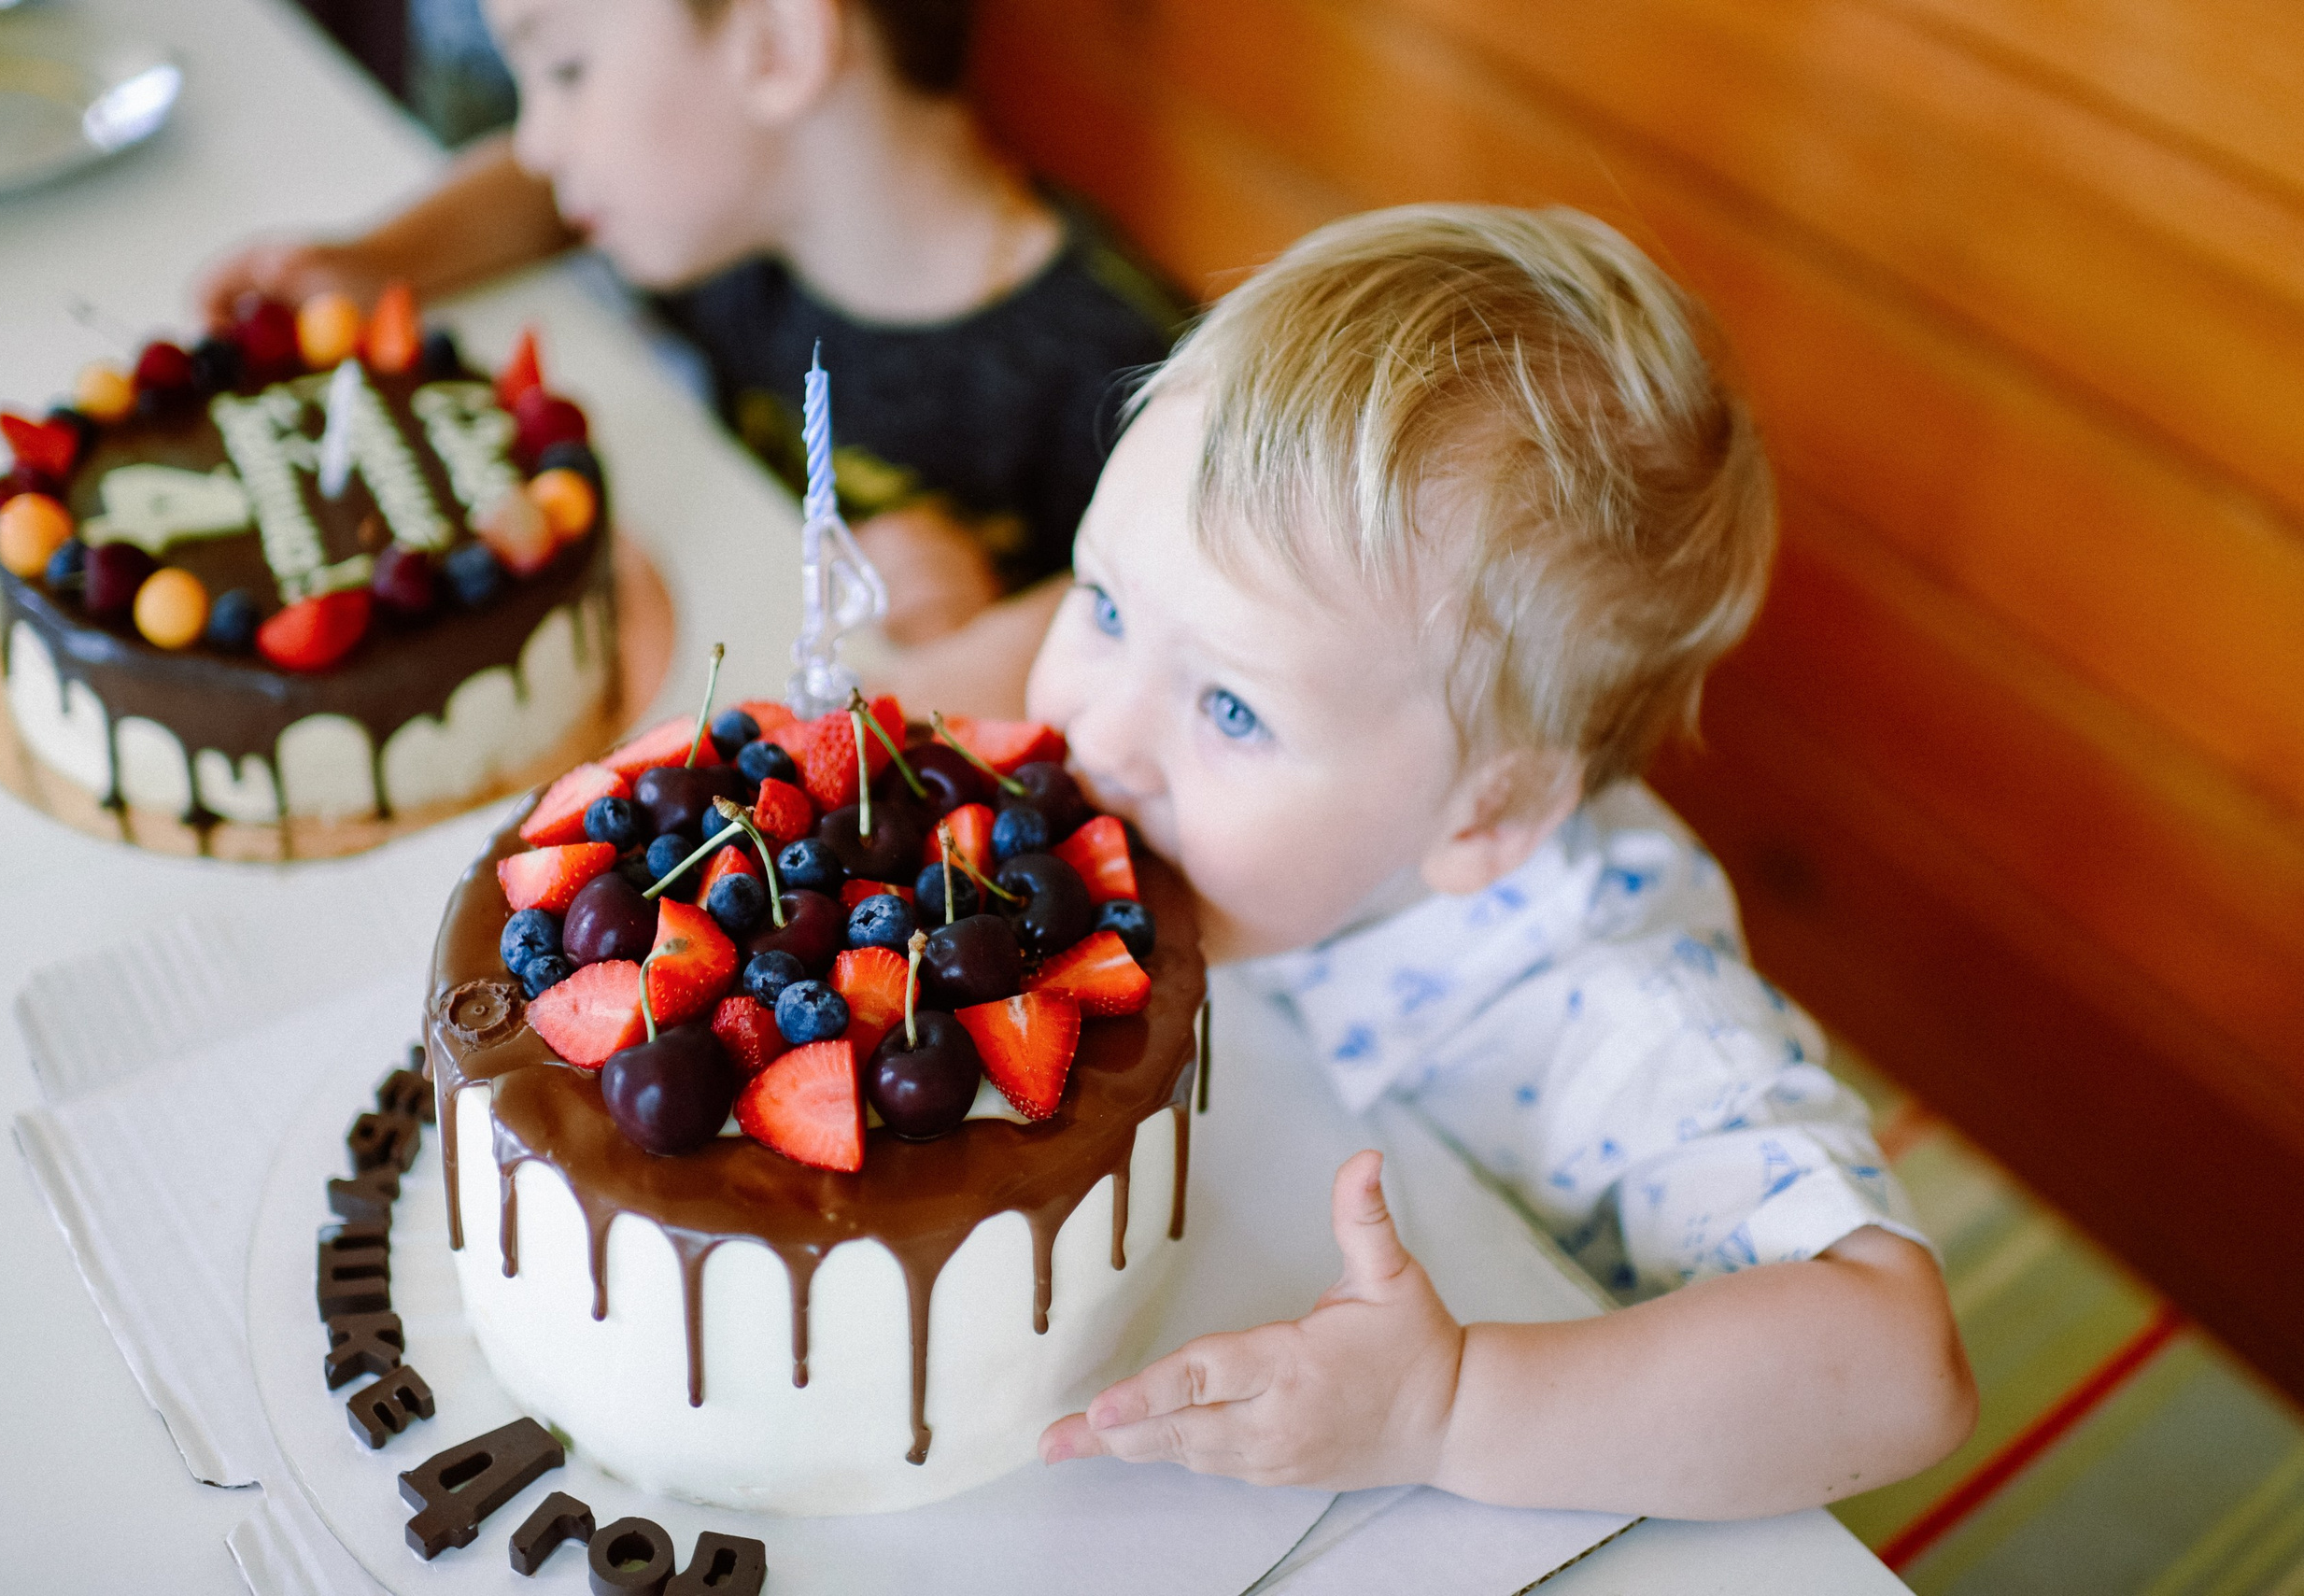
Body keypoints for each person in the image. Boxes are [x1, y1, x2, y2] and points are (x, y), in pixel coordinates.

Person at [1023, 205, 1976, 1517]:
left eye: (1232, 709)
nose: (1099, 734)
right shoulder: (1197, 784)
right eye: (1105, 604)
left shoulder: (1614, 1016)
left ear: (1486, 816)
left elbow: (1902, 1372)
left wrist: (1448, 1408)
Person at [195, 0, 1182, 672]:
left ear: (777, 47)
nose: (537, 141)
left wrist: (1015, 632)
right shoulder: (740, 210)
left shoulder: (1135, 381)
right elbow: (544, 199)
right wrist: (385, 259)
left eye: (568, 70)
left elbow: (1201, 631)